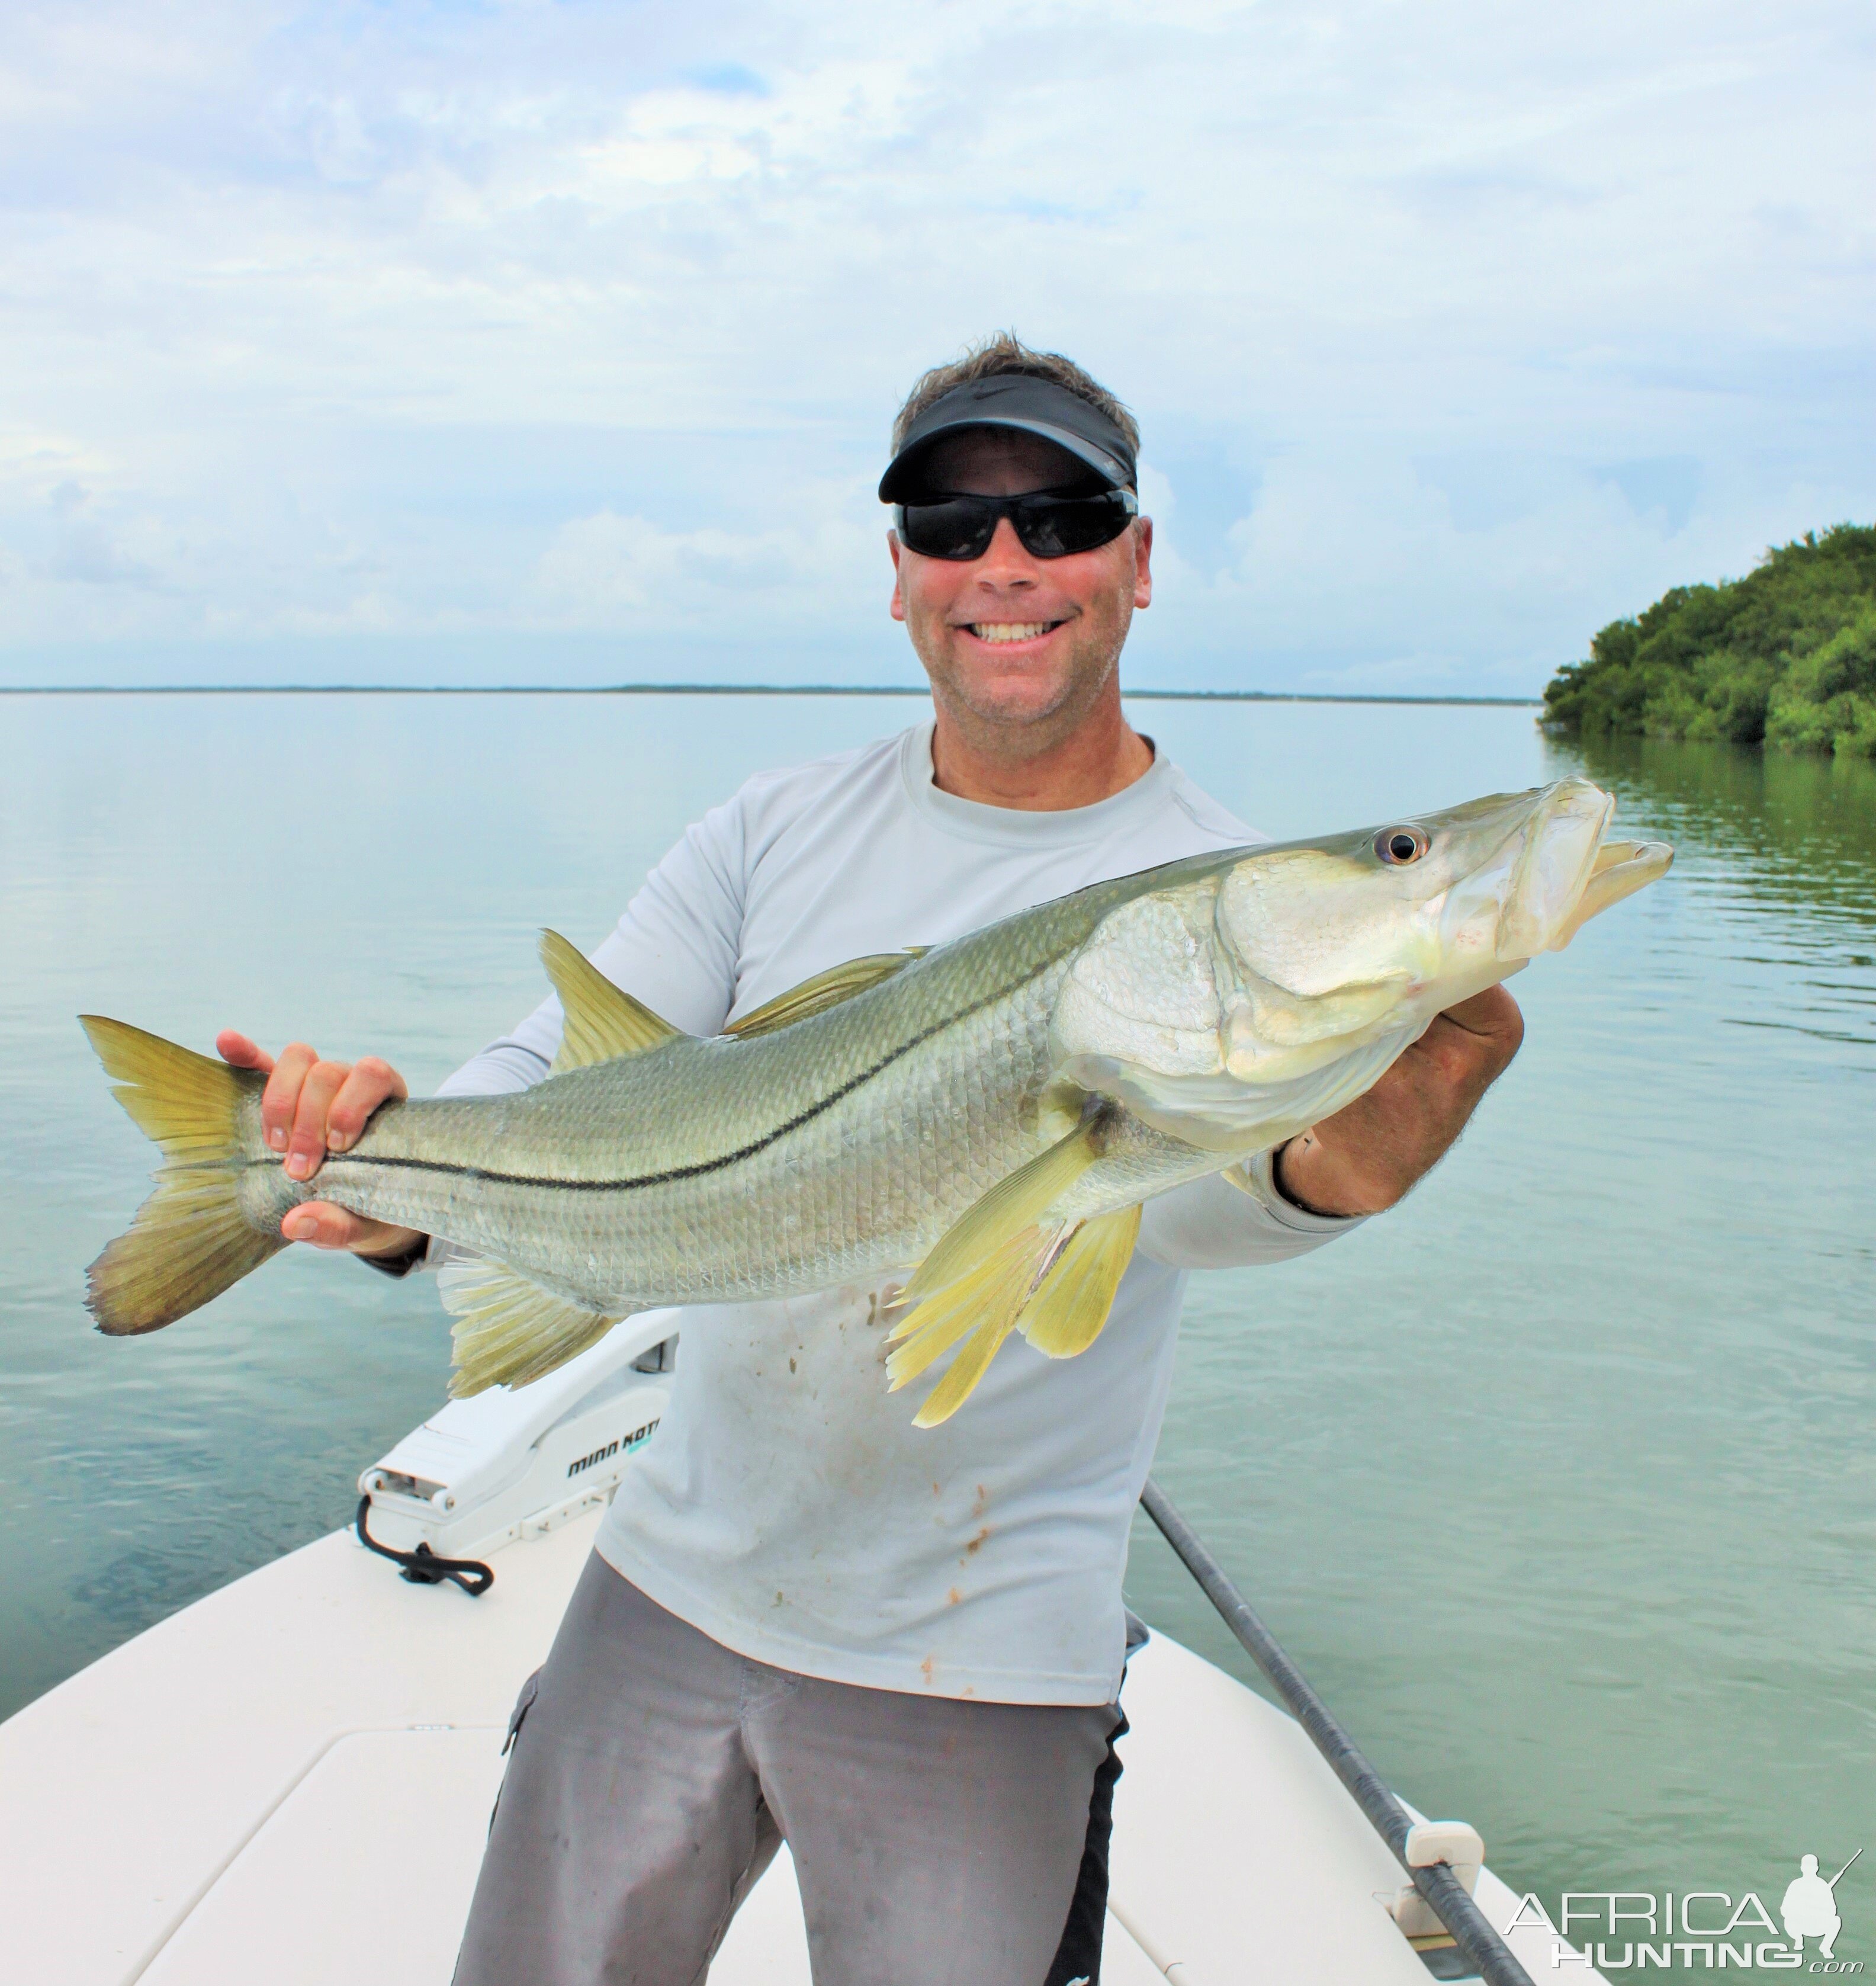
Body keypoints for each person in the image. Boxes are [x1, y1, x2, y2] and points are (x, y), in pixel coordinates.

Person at [217, 335, 1522, 1985]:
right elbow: (559, 1075)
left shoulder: (1208, 886)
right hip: (665, 1585)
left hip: (983, 1659)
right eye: (950, 521)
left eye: (1060, 515)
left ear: (1137, 559)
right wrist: (380, 1179)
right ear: (896, 573)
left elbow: (1198, 1193)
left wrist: (1344, 1166)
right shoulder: (772, 825)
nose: (1006, 565)